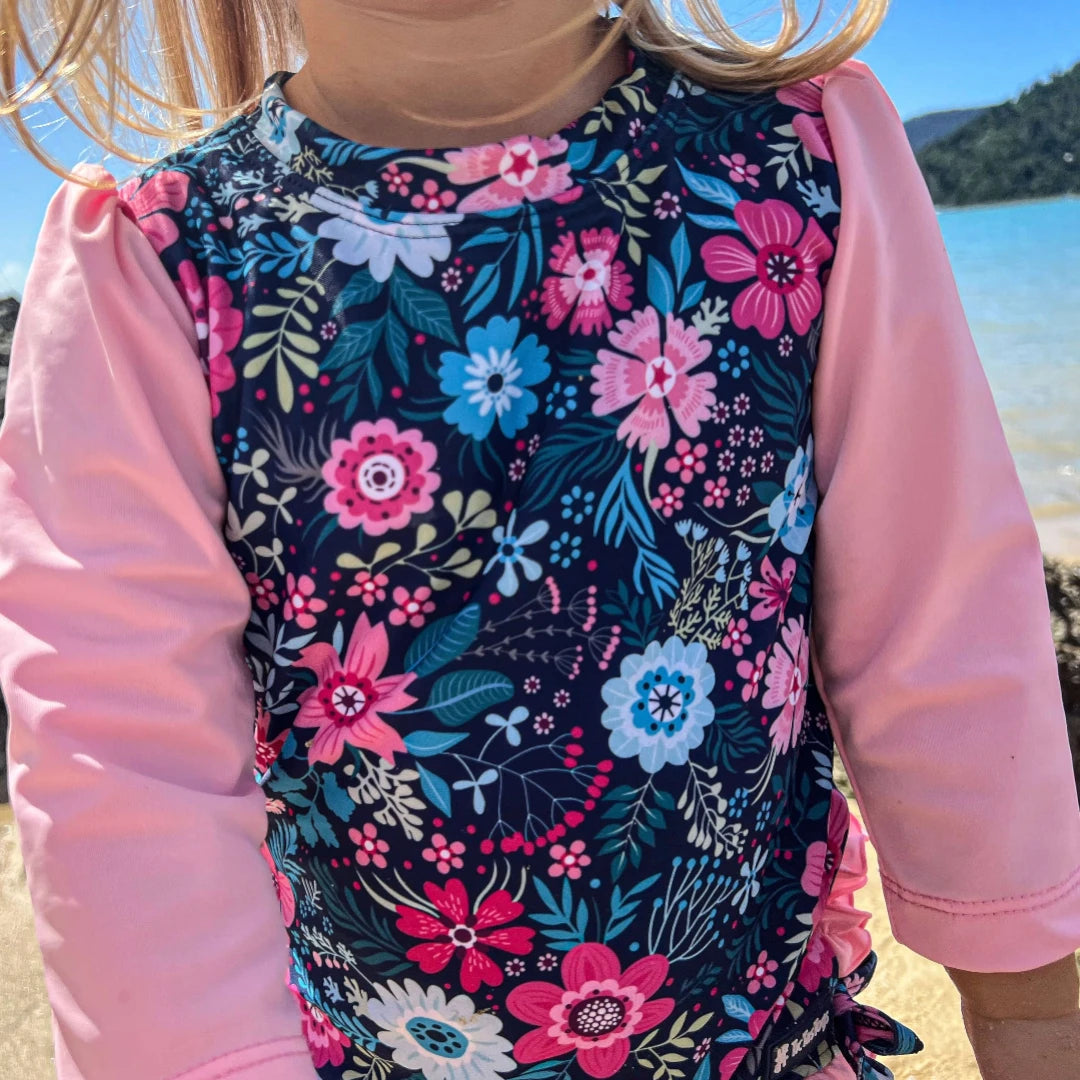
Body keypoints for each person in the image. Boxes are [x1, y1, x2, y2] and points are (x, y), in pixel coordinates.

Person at [0, 1, 1078, 1078]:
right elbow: (127, 785)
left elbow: (943, 640)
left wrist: (1033, 1003)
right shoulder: (158, 269)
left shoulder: (795, 171)